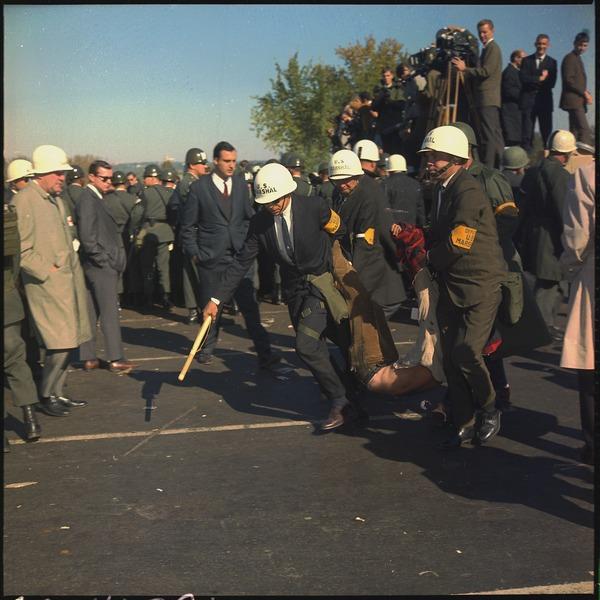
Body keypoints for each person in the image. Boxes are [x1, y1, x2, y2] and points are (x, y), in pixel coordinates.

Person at [202, 163, 368, 431]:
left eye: (276, 200)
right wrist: (216, 300)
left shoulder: (314, 207)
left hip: (322, 287)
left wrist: (344, 269)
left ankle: (341, 401)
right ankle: (350, 400)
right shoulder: (259, 222)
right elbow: (241, 262)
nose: (272, 206)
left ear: (288, 193)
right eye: (266, 202)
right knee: (319, 348)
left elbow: (339, 231)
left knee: (308, 345)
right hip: (295, 293)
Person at [418, 126, 507, 449]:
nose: (429, 162)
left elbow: (459, 241)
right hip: (452, 285)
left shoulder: (467, 191)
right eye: (428, 156)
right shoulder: (443, 188)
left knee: (466, 352)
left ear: (455, 158)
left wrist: (427, 256)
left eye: (435, 156)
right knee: (451, 359)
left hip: (479, 286)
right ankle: (465, 419)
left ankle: (489, 408)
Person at [10, 145, 92, 417]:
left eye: (63, 174)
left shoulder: (57, 199)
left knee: (72, 340)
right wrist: (49, 271)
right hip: (47, 287)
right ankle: (45, 394)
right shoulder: (24, 201)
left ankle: (58, 392)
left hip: (68, 284)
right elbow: (21, 251)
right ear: (41, 174)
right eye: (58, 173)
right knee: (61, 343)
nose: (62, 178)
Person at [180, 141, 279, 368]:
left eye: (234, 161)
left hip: (238, 259)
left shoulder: (241, 185)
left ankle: (265, 353)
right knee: (210, 310)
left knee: (250, 309)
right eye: (227, 161)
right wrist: (195, 254)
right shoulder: (199, 188)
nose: (231, 165)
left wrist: (249, 245)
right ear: (215, 161)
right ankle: (206, 349)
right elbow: (187, 226)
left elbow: (248, 216)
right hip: (210, 259)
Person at [330, 149, 406, 319]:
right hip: (366, 274)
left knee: (370, 332)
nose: (342, 184)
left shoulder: (370, 194)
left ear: (357, 175)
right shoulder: (343, 193)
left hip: (374, 277)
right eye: (337, 180)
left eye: (347, 179)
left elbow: (368, 241)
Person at [76, 160, 136, 375]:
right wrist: (104, 260)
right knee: (110, 312)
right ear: (91, 177)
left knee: (91, 312)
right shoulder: (89, 199)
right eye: (104, 178)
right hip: (100, 265)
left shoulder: (93, 197)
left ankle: (89, 357)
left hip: (95, 264)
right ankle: (116, 358)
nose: (108, 182)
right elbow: (87, 236)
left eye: (110, 178)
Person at [518, 130, 576, 338]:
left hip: (535, 233)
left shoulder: (535, 170)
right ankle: (542, 326)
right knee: (550, 282)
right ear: (567, 153)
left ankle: (544, 324)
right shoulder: (560, 175)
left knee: (546, 280)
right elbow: (564, 210)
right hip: (552, 237)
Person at [559, 162, 595, 465]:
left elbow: (577, 238)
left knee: (591, 360)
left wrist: (570, 269)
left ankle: (594, 445)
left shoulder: (586, 175)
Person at [4, 202, 42, 451]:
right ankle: (30, 419)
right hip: (8, 300)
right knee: (15, 358)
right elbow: (15, 261)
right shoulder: (8, 216)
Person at [452, 19, 504, 169]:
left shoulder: (493, 48)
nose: (482, 35)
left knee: (488, 136)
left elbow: (486, 71)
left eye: (485, 32)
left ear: (492, 31)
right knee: (491, 135)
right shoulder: (487, 49)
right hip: (485, 98)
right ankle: (495, 165)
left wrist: (464, 69)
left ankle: (488, 168)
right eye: (480, 32)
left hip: (487, 98)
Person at [167, 148, 209, 324]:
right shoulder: (190, 183)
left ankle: (194, 311)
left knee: (190, 273)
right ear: (192, 165)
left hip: (189, 233)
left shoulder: (187, 182)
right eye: (202, 163)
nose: (205, 166)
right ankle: (200, 311)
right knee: (199, 273)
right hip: (196, 234)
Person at [137, 164, 175, 309]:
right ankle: (166, 296)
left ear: (152, 178)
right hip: (165, 232)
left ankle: (148, 297)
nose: (144, 180)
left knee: (147, 267)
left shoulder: (145, 193)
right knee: (163, 268)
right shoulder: (168, 193)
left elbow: (137, 214)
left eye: (146, 177)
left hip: (149, 232)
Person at [519, 34, 558, 152]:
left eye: (544, 44)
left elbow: (551, 83)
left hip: (544, 103)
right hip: (528, 103)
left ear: (548, 45)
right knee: (526, 134)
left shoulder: (552, 63)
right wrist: (540, 79)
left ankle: (547, 161)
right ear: (535, 44)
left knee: (546, 134)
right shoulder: (526, 60)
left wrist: (532, 80)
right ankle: (525, 164)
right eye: (539, 43)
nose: (541, 46)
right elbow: (523, 78)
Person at [559, 31, 593, 146]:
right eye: (580, 44)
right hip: (573, 101)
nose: (582, 48)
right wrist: (584, 93)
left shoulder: (577, 58)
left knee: (574, 131)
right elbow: (569, 80)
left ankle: (573, 157)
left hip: (577, 101)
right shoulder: (570, 58)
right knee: (584, 130)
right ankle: (586, 157)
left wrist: (586, 93)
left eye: (585, 45)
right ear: (574, 43)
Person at [382, 154, 425, 227]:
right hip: (411, 232)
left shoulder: (384, 184)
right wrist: (423, 227)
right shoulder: (415, 184)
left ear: (389, 169)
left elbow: (382, 211)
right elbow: (420, 212)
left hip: (391, 231)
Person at [372, 66, 406, 155]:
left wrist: (390, 102)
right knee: (386, 150)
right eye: (384, 76)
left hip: (396, 123)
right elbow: (374, 107)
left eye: (388, 75)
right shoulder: (379, 89)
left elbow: (402, 104)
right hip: (384, 124)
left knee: (397, 149)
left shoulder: (398, 87)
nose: (386, 78)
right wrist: (381, 98)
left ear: (392, 76)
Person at [501, 49, 527, 146]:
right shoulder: (509, 72)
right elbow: (509, 91)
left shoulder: (516, 72)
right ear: (516, 58)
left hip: (515, 114)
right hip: (510, 114)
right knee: (511, 142)